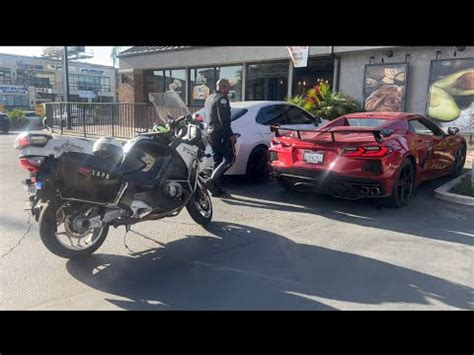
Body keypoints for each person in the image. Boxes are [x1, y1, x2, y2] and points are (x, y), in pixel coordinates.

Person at [204, 78, 237, 197]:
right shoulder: (222, 99)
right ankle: (211, 182)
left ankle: (215, 189)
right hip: (220, 134)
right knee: (230, 158)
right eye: (228, 87)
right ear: (223, 87)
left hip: (210, 133)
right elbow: (224, 120)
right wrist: (230, 135)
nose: (229, 90)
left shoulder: (209, 98)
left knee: (217, 160)